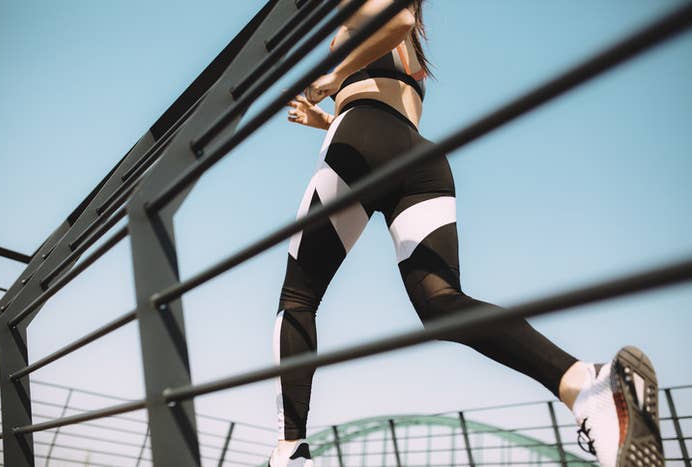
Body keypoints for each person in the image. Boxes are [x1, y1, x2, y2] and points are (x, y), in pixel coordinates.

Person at [268, 1, 662, 466]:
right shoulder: (414, 54)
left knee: (299, 299)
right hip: (419, 158)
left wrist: (333, 79)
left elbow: (395, 20)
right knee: (441, 303)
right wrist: (326, 114)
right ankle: (586, 383)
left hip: (362, 139)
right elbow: (386, 92)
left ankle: (290, 450)